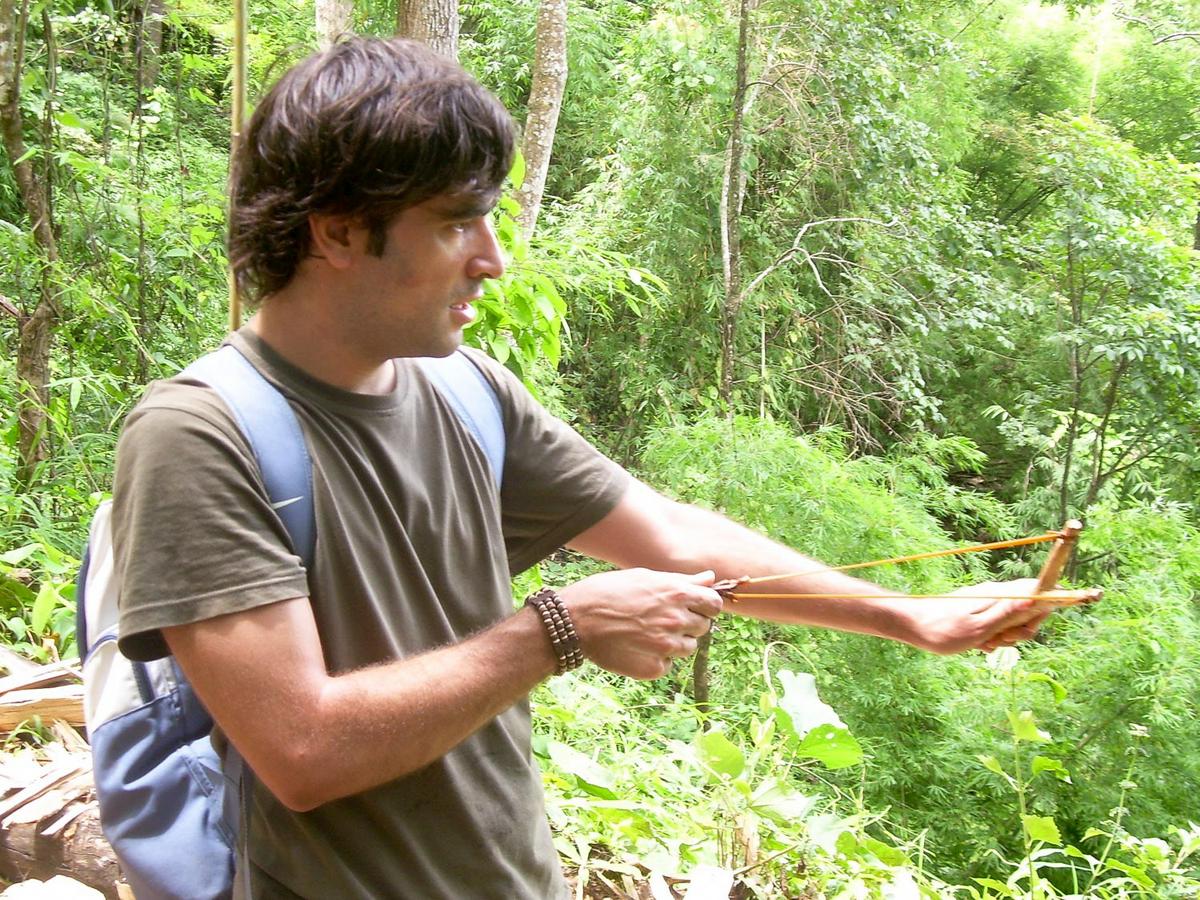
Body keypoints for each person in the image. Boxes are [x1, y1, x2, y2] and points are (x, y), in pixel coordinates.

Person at [111, 36, 1046, 899]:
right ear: (340, 232)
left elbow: (671, 535)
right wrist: (556, 630)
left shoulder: (467, 389)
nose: (494, 260)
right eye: (456, 225)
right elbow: (301, 748)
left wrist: (905, 615)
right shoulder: (200, 434)